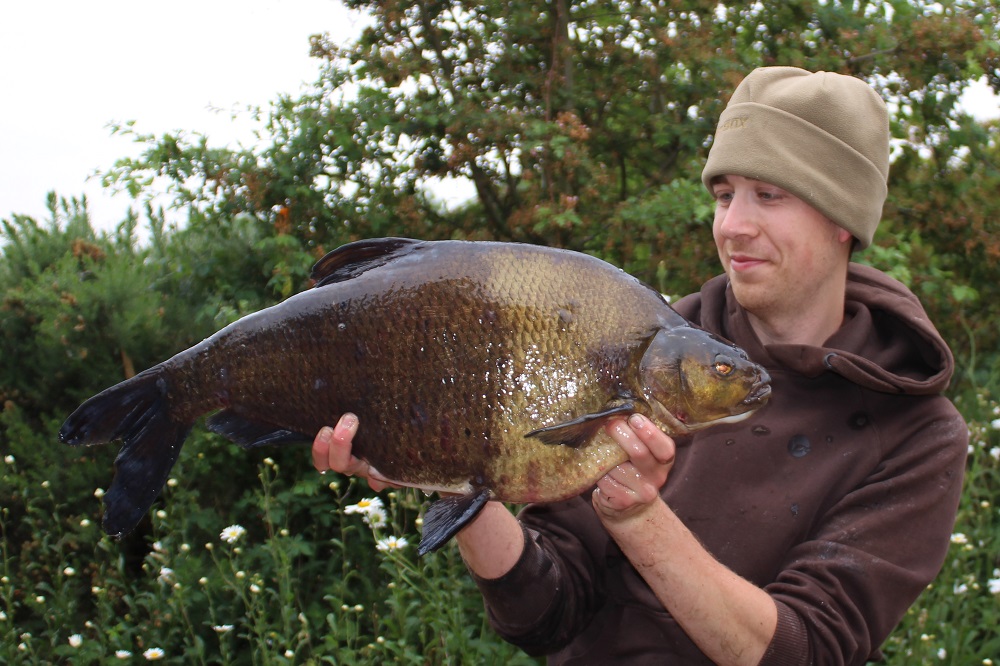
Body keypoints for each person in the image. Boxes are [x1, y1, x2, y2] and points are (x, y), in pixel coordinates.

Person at [310, 67, 968, 665]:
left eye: (769, 195)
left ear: (843, 220)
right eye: (723, 194)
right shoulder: (631, 347)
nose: (732, 225)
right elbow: (547, 615)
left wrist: (637, 517)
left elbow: (807, 650)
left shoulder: (915, 432)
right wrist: (454, 474)